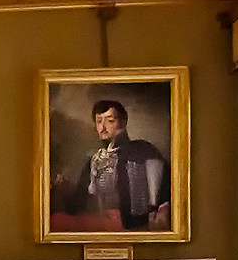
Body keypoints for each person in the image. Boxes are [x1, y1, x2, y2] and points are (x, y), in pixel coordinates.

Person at [54, 98, 170, 231]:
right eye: (99, 121)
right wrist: (63, 189)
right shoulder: (93, 160)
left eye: (110, 121)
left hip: (133, 223)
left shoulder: (142, 151)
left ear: (123, 122)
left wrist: (160, 207)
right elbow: (78, 204)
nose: (103, 127)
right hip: (102, 223)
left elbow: (162, 189)